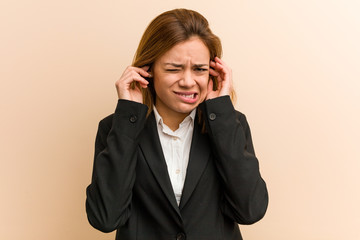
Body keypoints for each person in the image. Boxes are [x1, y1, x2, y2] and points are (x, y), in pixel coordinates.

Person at [86, 8, 268, 240]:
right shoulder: (118, 128)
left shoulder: (231, 124)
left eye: (200, 69)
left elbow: (250, 210)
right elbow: (105, 218)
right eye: (173, 69)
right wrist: (128, 117)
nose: (188, 81)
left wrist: (221, 111)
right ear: (148, 70)